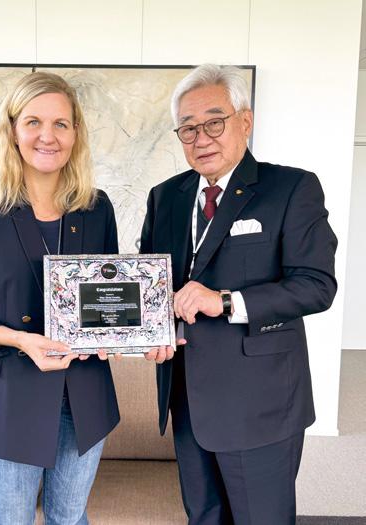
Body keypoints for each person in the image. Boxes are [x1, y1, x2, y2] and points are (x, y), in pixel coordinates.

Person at [140, 64, 337, 525]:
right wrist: (151, 329)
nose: (201, 138)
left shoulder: (291, 188)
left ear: (245, 122)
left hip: (259, 401)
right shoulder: (165, 196)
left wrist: (225, 301)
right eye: (188, 128)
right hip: (187, 398)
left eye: (214, 123)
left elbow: (316, 285)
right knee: (203, 516)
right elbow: (152, 286)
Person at [0, 72, 121, 525]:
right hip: (8, 396)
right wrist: (21, 339)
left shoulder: (96, 207)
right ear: (13, 130)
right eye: (34, 122)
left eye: (61, 123)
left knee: (70, 518)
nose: (48, 136)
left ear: (75, 132)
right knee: (13, 519)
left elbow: (108, 298)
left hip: (83, 395)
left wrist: (119, 333)